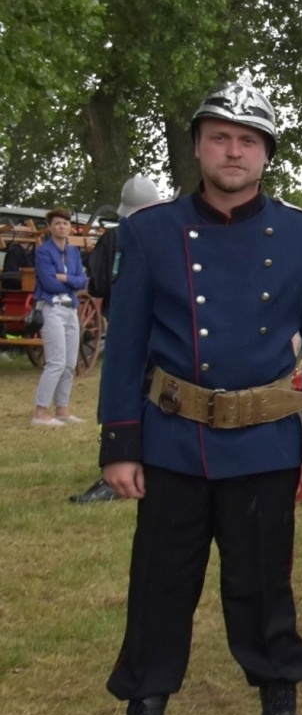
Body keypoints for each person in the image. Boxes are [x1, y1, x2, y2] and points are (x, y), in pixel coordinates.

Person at [93, 74, 302, 715]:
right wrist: (120, 443)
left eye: (248, 140)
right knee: (160, 585)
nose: (234, 151)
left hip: (264, 443)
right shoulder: (149, 232)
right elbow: (125, 346)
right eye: (220, 138)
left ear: (266, 154)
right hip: (174, 439)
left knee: (265, 588)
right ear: (199, 146)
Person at [72, 175, 161, 503]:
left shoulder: (116, 237)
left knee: (122, 393)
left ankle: (118, 463)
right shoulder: (169, 235)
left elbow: (97, 284)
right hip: (166, 332)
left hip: (128, 329)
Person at [31, 208, 87, 427]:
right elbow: (48, 283)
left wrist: (66, 278)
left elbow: (82, 281)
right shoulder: (43, 251)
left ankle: (62, 409)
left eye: (65, 223)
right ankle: (41, 411)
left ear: (70, 227)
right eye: (57, 223)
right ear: (50, 227)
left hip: (71, 309)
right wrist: (71, 281)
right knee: (56, 362)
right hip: (51, 308)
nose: (62, 227)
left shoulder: (74, 252)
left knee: (70, 363)